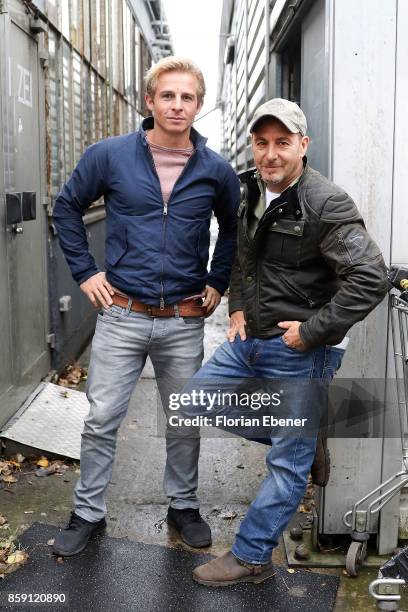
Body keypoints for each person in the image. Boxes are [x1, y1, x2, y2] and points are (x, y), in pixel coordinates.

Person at [181, 98, 389, 586]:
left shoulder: (325, 202)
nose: (270, 153)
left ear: (303, 145)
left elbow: (370, 278)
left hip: (302, 349)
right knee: (195, 402)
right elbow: (242, 259)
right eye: (262, 143)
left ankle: (252, 555)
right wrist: (236, 306)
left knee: (284, 464)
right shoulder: (251, 191)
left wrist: (312, 331)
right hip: (250, 336)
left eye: (281, 143)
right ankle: (301, 439)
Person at [51, 56, 240, 556]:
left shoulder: (217, 171)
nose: (178, 105)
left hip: (182, 318)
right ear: (150, 100)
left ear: (199, 105)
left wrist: (218, 280)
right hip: (122, 314)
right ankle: (88, 512)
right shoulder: (109, 156)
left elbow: (233, 230)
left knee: (183, 420)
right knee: (101, 418)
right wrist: (86, 273)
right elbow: (66, 207)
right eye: (168, 96)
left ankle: (182, 505)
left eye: (188, 97)